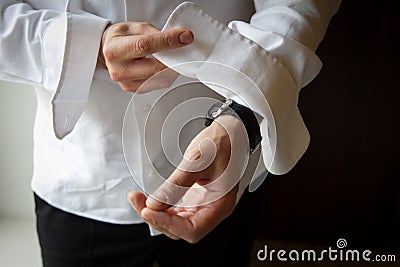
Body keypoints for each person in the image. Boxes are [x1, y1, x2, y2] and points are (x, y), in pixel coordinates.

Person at [0, 1, 341, 266]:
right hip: (81, 178)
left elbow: (298, 3)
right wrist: (88, 45)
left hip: (228, 165)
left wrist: (242, 115)